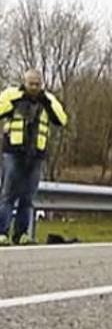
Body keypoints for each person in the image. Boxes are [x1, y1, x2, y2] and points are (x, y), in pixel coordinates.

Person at [0, 70, 68, 245]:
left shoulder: (48, 100)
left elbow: (62, 119)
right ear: (25, 82)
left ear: (41, 84)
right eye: (31, 83)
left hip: (36, 155)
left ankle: (22, 234)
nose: (34, 87)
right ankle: (2, 233)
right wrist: (14, 102)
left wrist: (47, 102)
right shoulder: (12, 95)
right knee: (8, 195)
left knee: (27, 197)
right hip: (14, 153)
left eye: (37, 84)